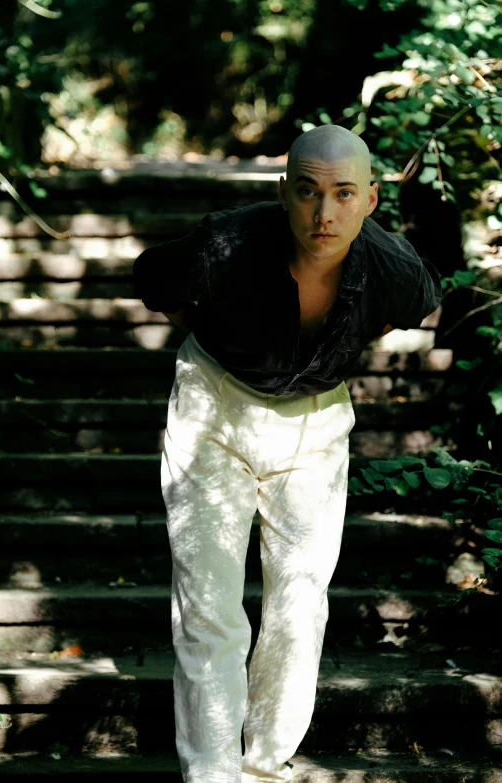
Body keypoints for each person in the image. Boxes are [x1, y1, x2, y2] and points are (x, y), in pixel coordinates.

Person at [132, 124, 442, 783]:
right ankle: (212, 771)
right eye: (306, 192)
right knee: (210, 602)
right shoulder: (226, 240)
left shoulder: (394, 270)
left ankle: (266, 764)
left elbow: (413, 306)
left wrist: (325, 354)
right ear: (282, 192)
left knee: (300, 604)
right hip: (213, 403)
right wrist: (221, 339)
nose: (323, 213)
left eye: (342, 194)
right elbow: (153, 280)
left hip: (317, 418)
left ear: (371, 199)